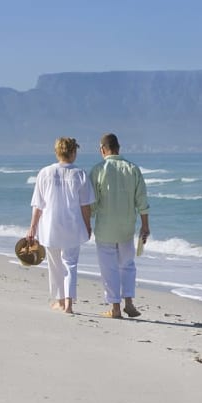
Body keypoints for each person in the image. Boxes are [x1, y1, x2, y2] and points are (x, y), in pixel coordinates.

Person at [28, 137, 94, 314]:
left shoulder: (45, 172)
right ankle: (69, 304)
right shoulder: (80, 174)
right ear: (73, 152)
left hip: (50, 226)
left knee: (55, 265)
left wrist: (32, 228)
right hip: (72, 226)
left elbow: (38, 205)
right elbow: (86, 205)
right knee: (70, 264)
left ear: (57, 152)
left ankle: (59, 301)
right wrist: (88, 226)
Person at [90, 133, 150, 318]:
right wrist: (145, 226)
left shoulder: (99, 169)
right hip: (126, 227)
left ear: (102, 149)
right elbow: (141, 200)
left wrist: (85, 222)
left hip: (106, 228)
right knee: (128, 265)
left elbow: (92, 202)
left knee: (109, 268)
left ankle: (115, 308)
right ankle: (129, 303)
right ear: (119, 147)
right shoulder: (132, 168)